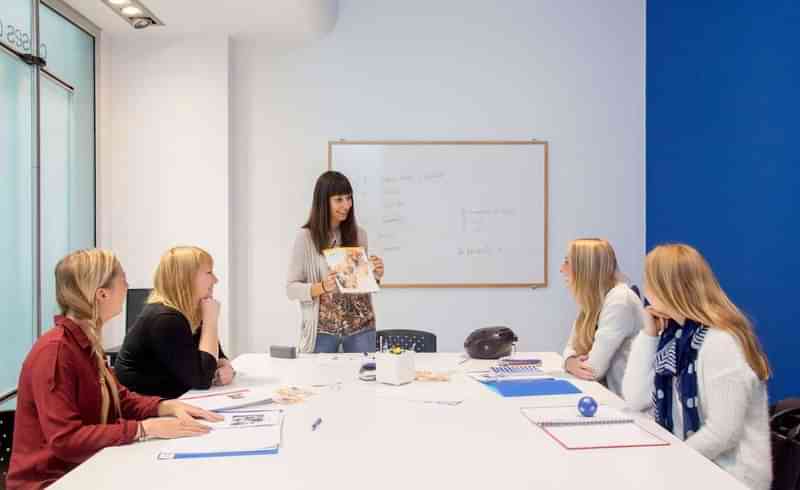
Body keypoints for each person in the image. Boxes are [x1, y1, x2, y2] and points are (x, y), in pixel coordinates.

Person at [7, 249, 220, 489]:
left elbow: (119, 399)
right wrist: (142, 428)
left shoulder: (84, 343)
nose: (128, 287)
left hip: (89, 468)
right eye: (123, 280)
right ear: (102, 294)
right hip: (53, 481)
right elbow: (65, 439)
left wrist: (164, 406)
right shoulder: (56, 352)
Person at [623, 244, 771, 490]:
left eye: (649, 281)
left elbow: (723, 433)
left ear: (668, 288)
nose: (645, 290)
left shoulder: (720, 342)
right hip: (694, 463)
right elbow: (636, 398)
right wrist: (649, 334)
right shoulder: (675, 336)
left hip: (731, 475)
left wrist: (668, 462)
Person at [115, 246, 234, 398]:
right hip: (143, 409)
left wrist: (225, 365)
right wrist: (211, 321)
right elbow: (203, 378)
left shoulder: (191, 311)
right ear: (186, 278)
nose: (215, 280)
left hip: (172, 399)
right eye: (209, 272)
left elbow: (214, 358)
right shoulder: (165, 318)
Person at [287, 171, 385, 353]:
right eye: (339, 199)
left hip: (361, 328)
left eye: (349, 198)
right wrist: (322, 287)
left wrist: (375, 275)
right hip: (323, 330)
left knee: (363, 380)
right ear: (324, 202)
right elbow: (291, 289)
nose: (347, 205)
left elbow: (359, 286)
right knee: (319, 380)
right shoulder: (306, 238)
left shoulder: (359, 234)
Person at [560, 238, 645, 396]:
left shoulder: (620, 300)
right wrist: (569, 362)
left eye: (567, 262)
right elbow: (569, 348)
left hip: (630, 406)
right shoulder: (594, 301)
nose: (561, 269)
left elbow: (593, 369)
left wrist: (570, 362)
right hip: (609, 396)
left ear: (585, 268)